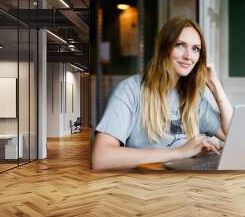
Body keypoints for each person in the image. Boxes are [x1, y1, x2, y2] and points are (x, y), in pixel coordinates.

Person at [92, 17, 233, 170]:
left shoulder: (194, 97)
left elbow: (233, 136)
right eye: (179, 45)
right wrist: (179, 152)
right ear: (164, 48)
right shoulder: (129, 90)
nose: (188, 56)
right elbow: (101, 158)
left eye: (196, 49)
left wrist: (216, 88)